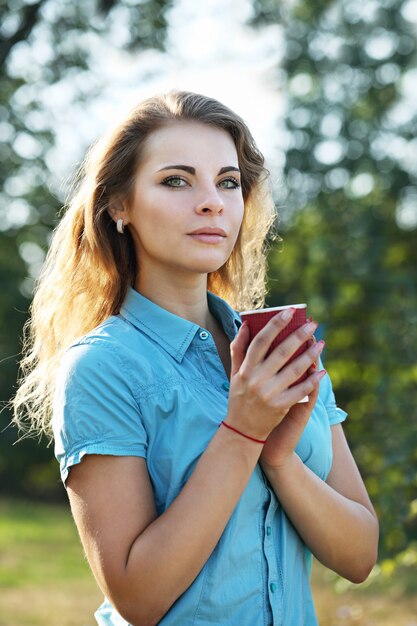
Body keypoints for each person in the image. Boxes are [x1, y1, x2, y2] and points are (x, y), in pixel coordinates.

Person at [13, 90, 379, 626]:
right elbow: (137, 599)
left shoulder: (278, 349)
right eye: (176, 181)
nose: (211, 202)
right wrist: (243, 432)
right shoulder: (102, 368)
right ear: (119, 205)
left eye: (227, 182)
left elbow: (359, 555)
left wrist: (278, 458)